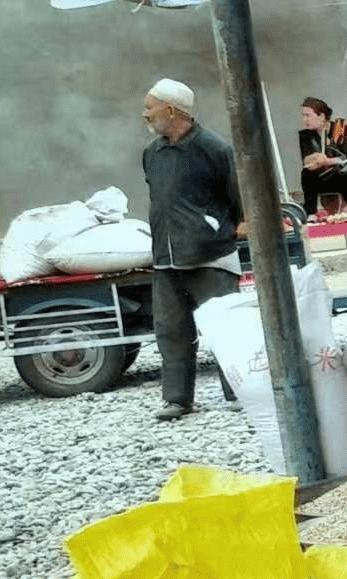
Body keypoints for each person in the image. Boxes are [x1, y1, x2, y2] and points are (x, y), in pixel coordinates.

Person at [141, 78, 244, 422]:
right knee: (171, 332)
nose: (145, 115)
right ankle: (177, 399)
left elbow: (239, 199)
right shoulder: (151, 154)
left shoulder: (214, 149)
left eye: (149, 107)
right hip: (166, 259)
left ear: (171, 110)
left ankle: (239, 393)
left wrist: (232, 228)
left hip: (210, 257)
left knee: (224, 328)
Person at [298, 97, 347, 219]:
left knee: (345, 169)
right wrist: (316, 158)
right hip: (322, 177)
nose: (304, 120)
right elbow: (306, 160)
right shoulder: (306, 134)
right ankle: (310, 211)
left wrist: (326, 161)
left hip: (341, 175)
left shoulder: (339, 127)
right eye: (303, 116)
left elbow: (344, 157)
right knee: (306, 173)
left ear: (322, 116)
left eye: (308, 116)